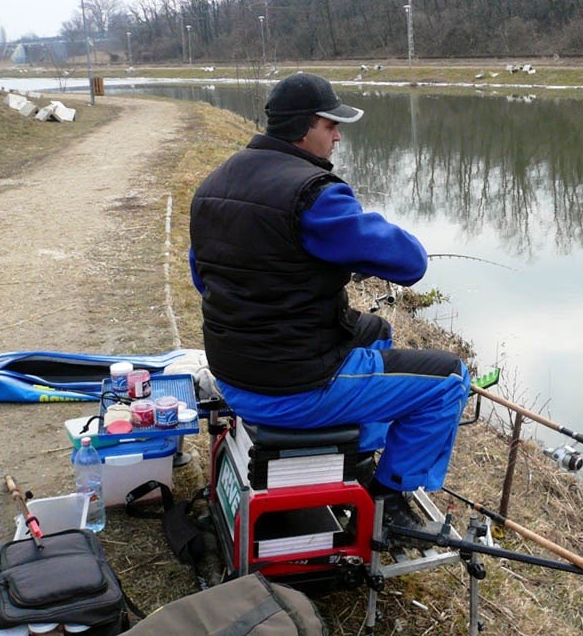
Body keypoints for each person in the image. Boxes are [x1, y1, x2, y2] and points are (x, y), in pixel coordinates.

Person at [189, 71, 471, 542]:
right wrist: (352, 239)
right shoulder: (315, 195)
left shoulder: (214, 184)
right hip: (293, 386)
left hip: (234, 375)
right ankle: (388, 500)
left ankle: (355, 455)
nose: (338, 136)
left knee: (375, 330)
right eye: (331, 126)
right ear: (305, 128)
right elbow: (410, 262)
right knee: (448, 380)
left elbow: (206, 280)